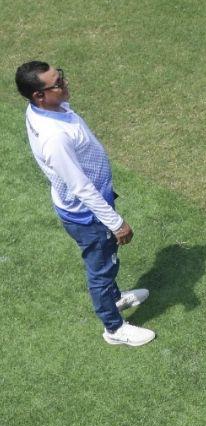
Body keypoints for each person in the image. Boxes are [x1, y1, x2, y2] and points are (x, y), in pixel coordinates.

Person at [17, 61, 153, 346]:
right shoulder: (54, 138)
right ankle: (114, 329)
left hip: (88, 207)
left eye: (61, 77)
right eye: (57, 84)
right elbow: (81, 188)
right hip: (88, 215)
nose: (64, 84)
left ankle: (115, 299)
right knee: (101, 270)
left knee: (106, 262)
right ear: (38, 96)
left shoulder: (49, 108)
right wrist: (116, 223)